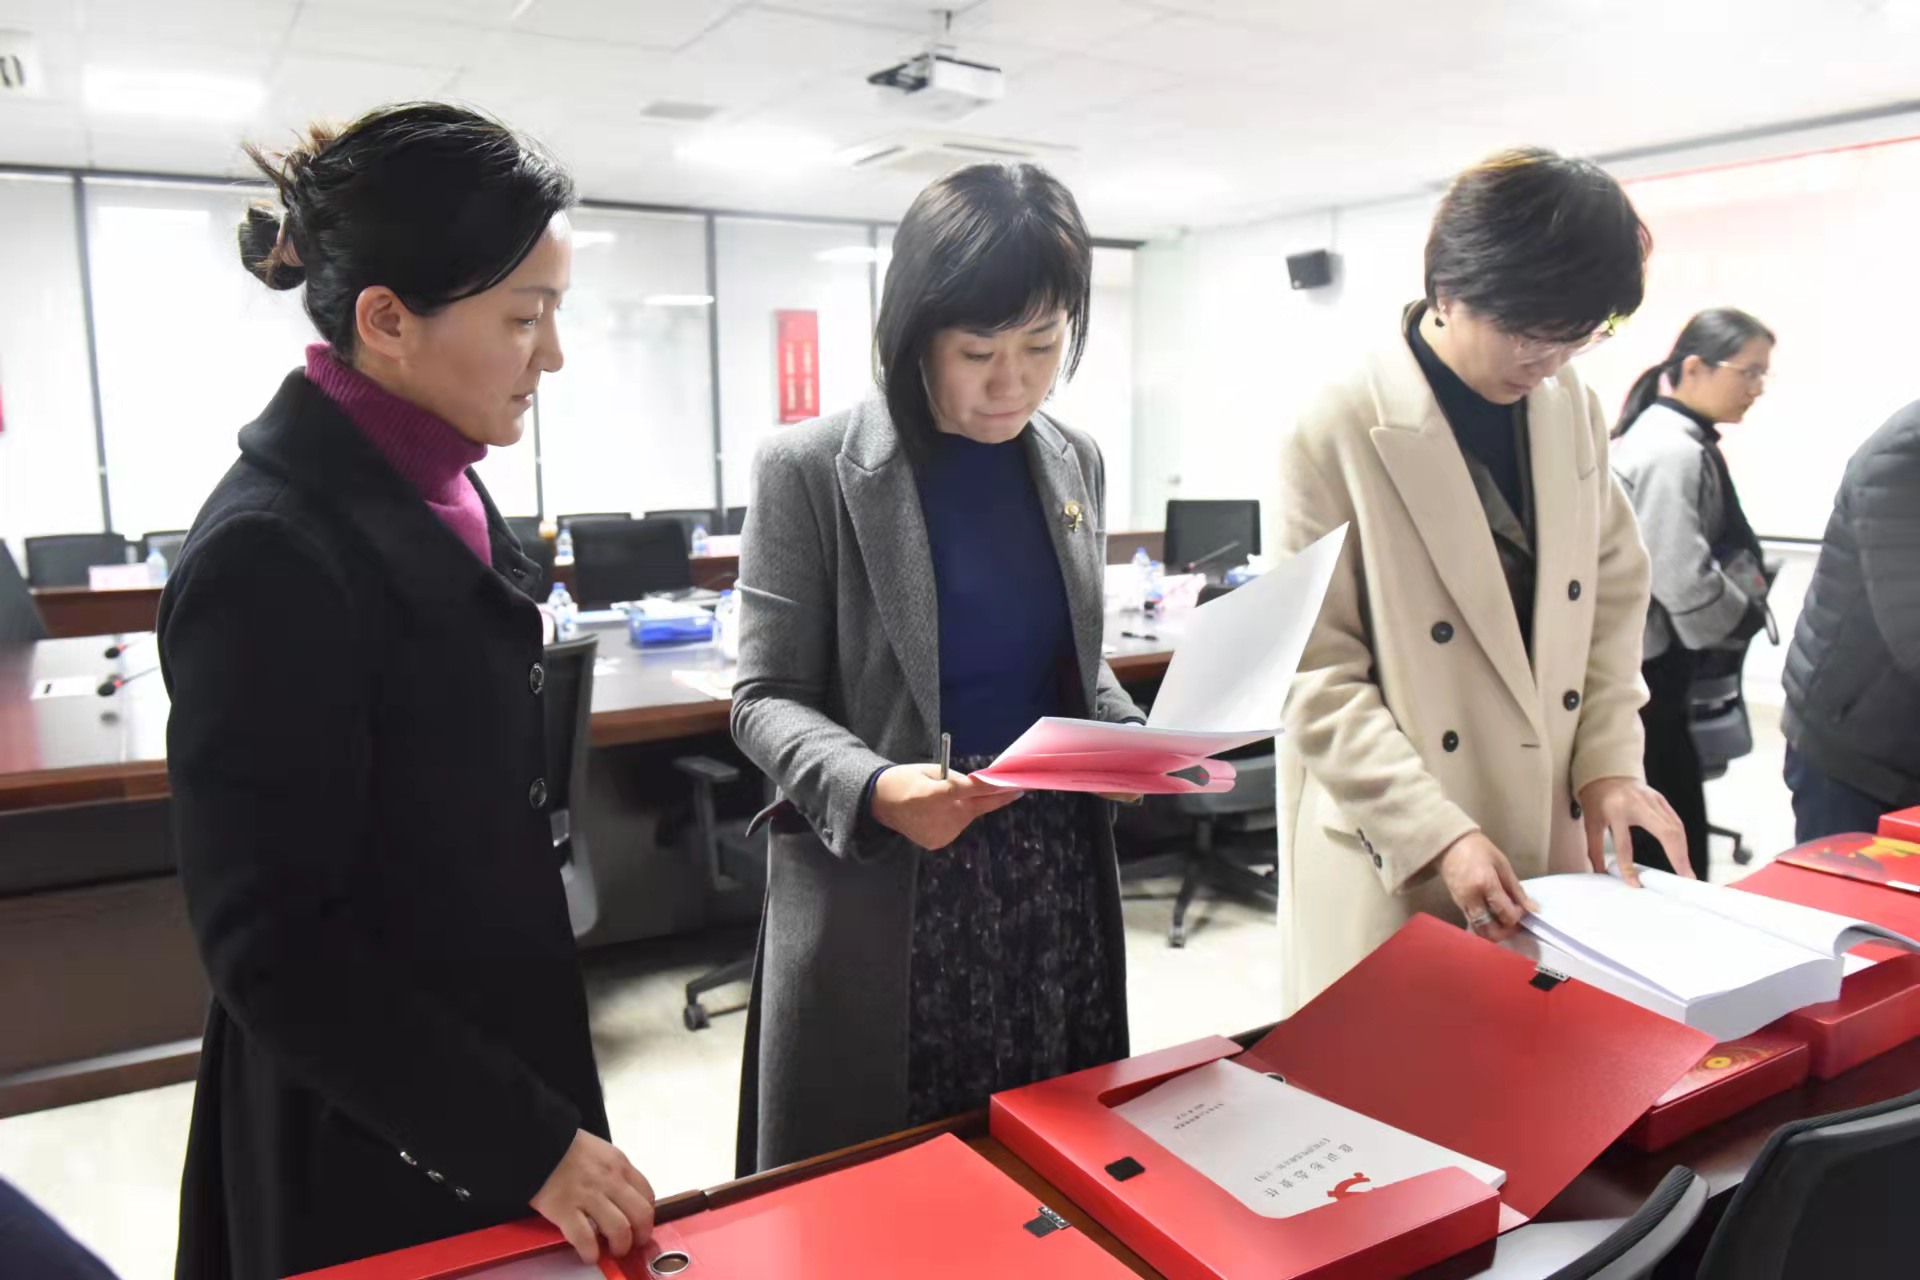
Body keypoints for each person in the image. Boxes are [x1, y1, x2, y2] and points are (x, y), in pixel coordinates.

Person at [160, 103, 652, 1276]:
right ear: (386, 321)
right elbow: (274, 944)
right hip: (375, 1123)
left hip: (494, 1054)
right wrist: (524, 1139)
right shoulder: (269, 552)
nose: (552, 355)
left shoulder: (442, 479)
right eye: (523, 317)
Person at [729, 162, 1141, 1173]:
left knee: (1054, 1165)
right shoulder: (811, 468)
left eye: (1043, 346)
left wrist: (1137, 741)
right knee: (897, 1180)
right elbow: (763, 698)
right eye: (979, 351)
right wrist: (874, 787)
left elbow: (1075, 664)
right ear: (914, 334)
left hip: (1050, 872)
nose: (1014, 383)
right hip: (891, 881)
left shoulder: (1072, 458)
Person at [1274, 147, 1691, 1011]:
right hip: (1399, 842)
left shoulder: (1568, 403)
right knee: (1399, 1074)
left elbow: (1611, 597)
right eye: (1530, 332)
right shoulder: (1335, 423)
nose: (1551, 358)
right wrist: (1433, 833)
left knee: (1542, 1063)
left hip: (1544, 828)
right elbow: (1313, 671)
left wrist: (1609, 761)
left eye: (1580, 334)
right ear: (1448, 287)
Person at [1611, 309, 1777, 878]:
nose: (1756, 388)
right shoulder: (1671, 450)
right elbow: (1678, 574)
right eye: (1748, 372)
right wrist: (1738, 616)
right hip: (1649, 662)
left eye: (1763, 374)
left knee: (1666, 792)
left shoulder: (1673, 438)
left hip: (1653, 658)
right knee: (1665, 802)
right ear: (1695, 368)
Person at [1783, 403, 1920, 838]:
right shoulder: (1903, 457)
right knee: (1847, 880)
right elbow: (1912, 628)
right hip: (1855, 750)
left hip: (1902, 733)